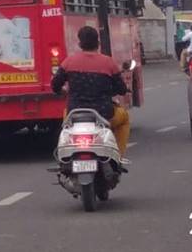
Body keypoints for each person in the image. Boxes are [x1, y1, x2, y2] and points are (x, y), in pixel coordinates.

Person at [50, 25, 131, 159]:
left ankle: (63, 157)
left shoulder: (69, 62)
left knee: (65, 126)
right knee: (124, 119)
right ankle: (118, 157)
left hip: (74, 113)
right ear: (98, 43)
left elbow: (55, 85)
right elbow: (121, 89)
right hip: (104, 114)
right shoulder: (108, 62)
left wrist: (63, 91)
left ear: (80, 43)